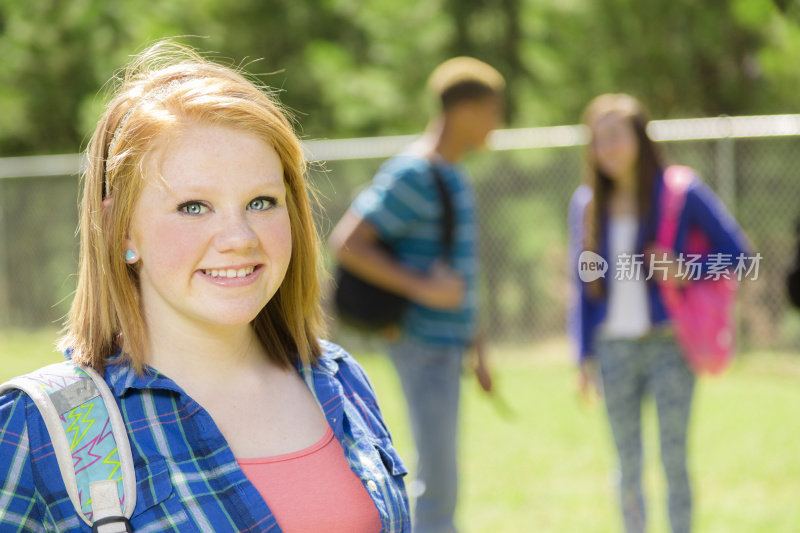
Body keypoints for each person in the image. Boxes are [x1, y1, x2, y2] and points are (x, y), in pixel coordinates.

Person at [0, 41, 409, 532]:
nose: (239, 238)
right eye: (194, 206)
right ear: (122, 230)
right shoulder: (43, 428)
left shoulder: (339, 380)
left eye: (261, 202)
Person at [328, 57, 502, 533]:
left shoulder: (455, 174)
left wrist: (479, 348)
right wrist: (422, 287)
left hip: (448, 346)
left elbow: (463, 272)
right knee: (437, 478)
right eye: (493, 109)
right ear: (464, 110)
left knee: (443, 475)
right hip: (421, 344)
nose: (498, 122)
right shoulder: (414, 173)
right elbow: (347, 242)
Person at [567, 93, 750, 533]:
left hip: (671, 346)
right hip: (613, 349)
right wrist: (583, 356)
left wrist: (687, 270)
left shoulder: (680, 192)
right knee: (626, 465)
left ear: (639, 137)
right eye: (597, 139)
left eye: (615, 135)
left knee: (674, 461)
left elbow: (739, 255)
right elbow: (582, 285)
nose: (606, 147)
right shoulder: (586, 203)